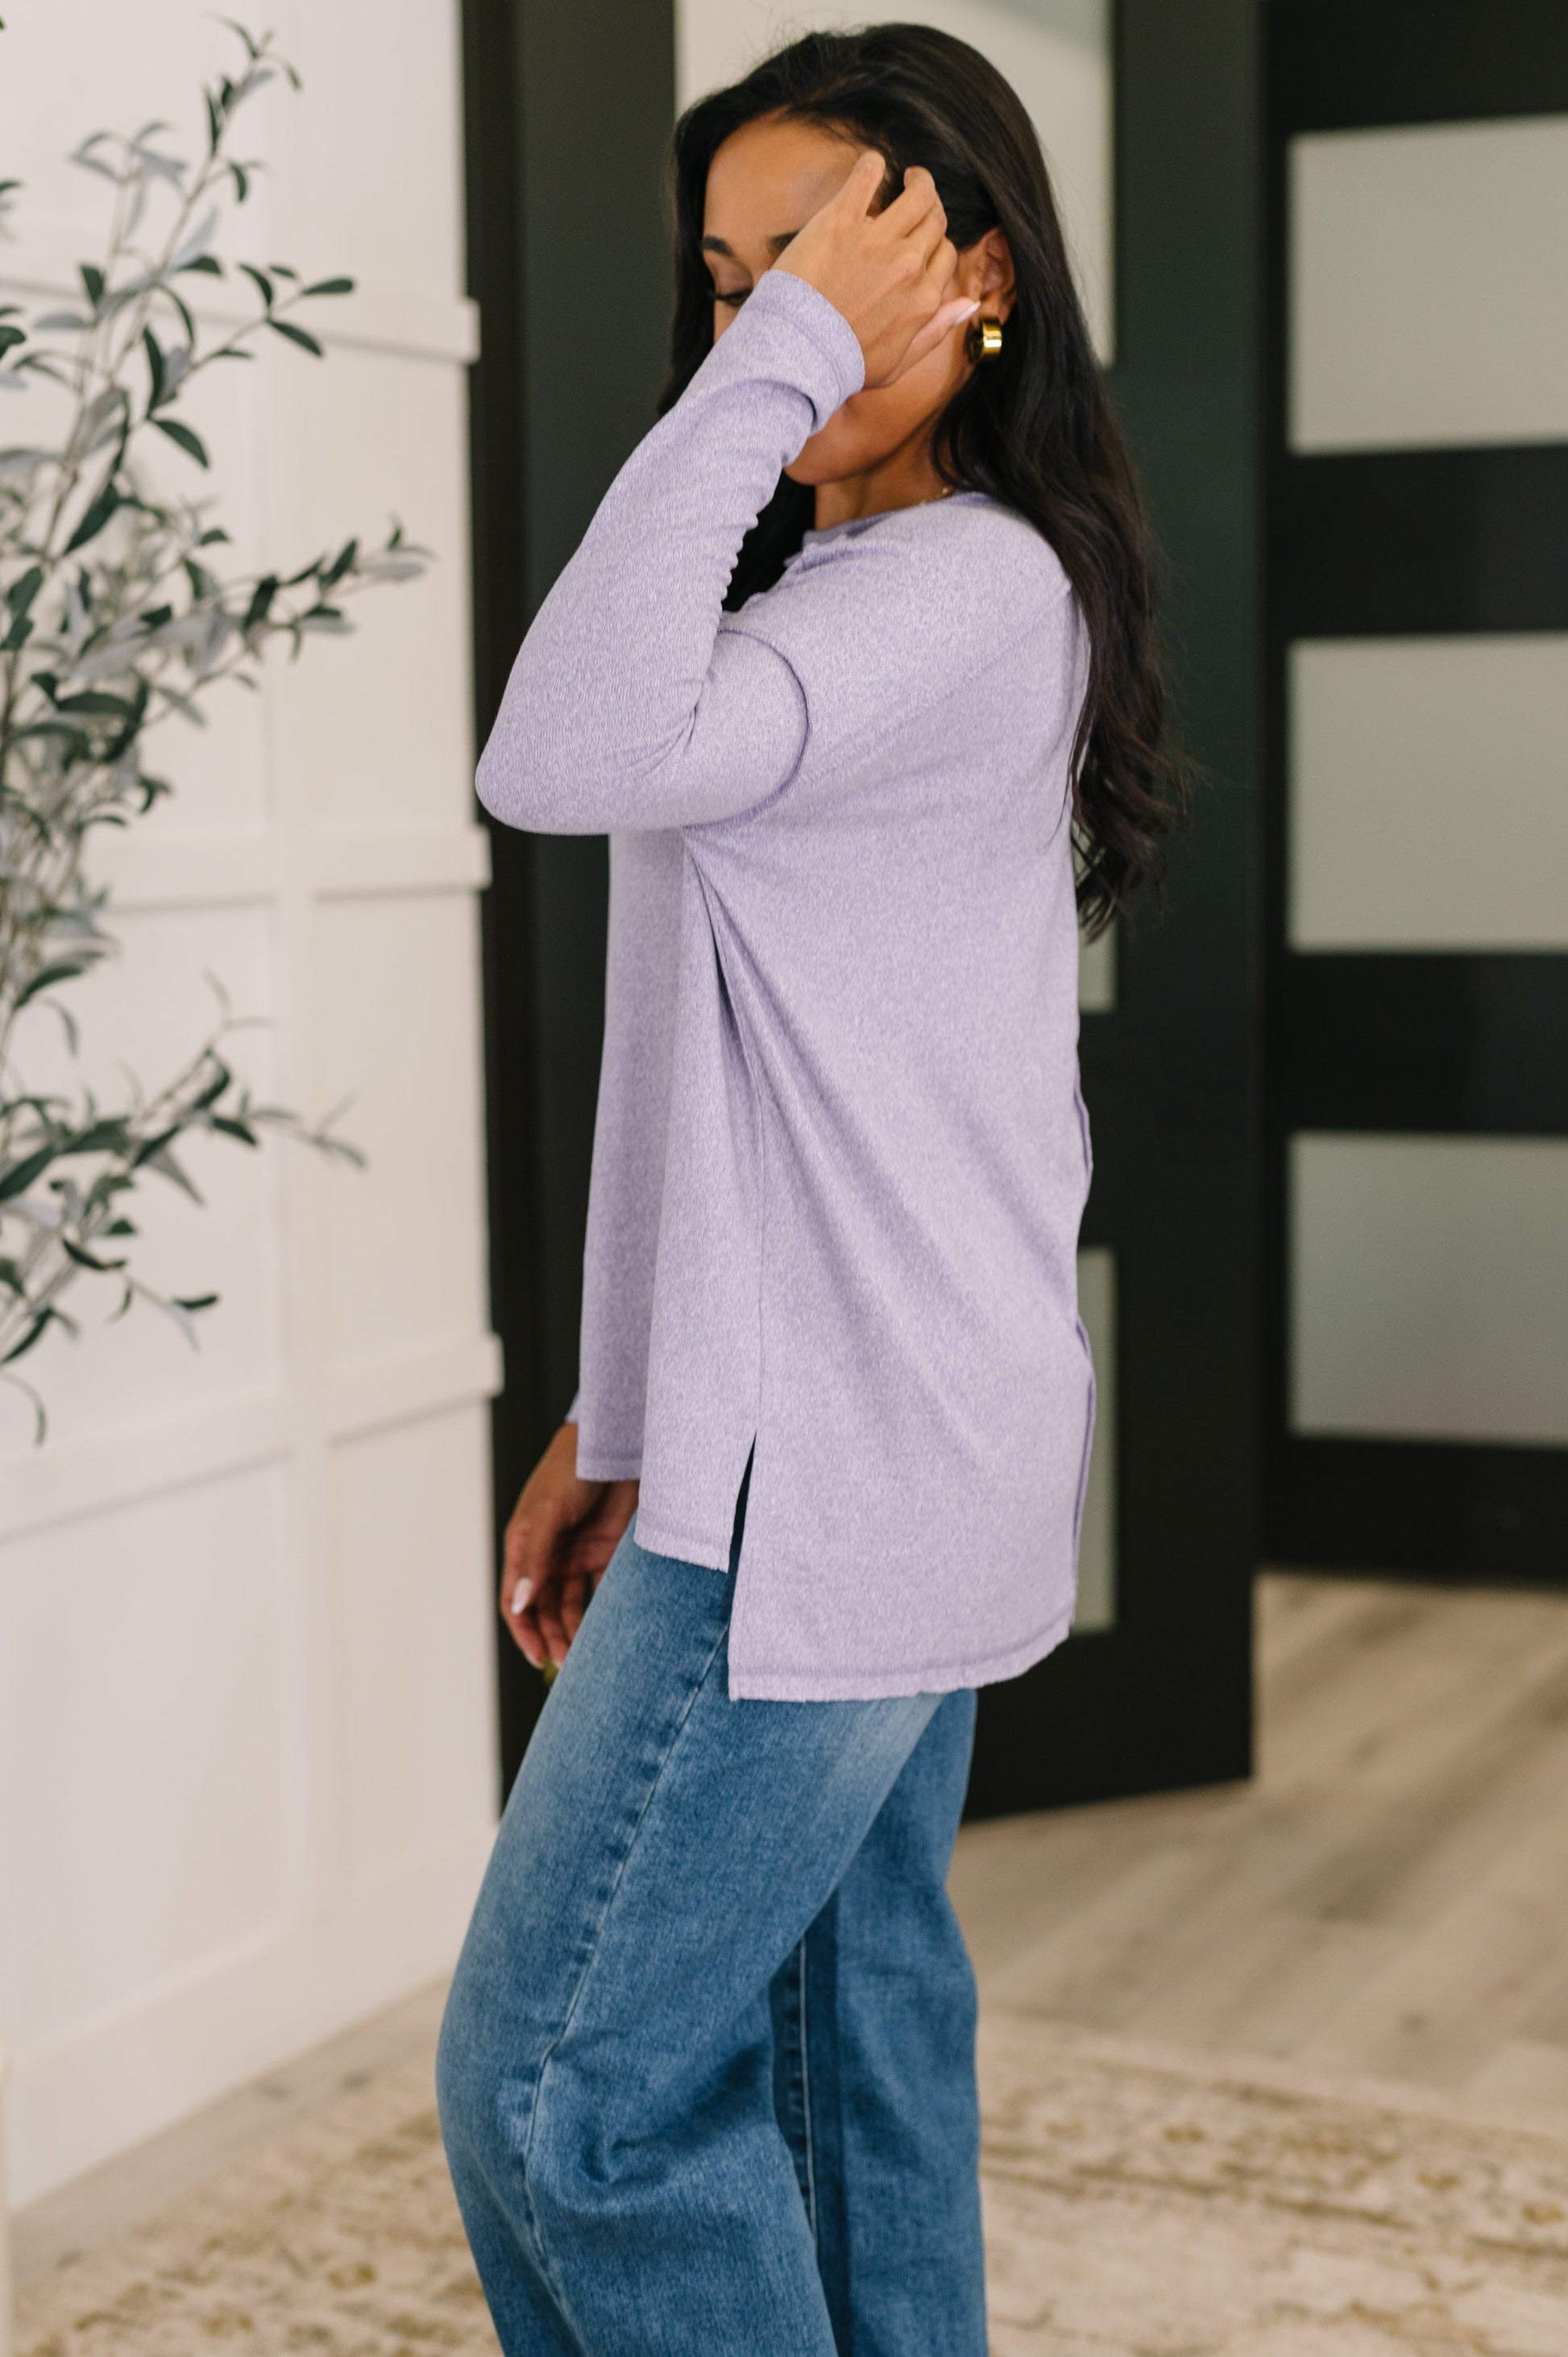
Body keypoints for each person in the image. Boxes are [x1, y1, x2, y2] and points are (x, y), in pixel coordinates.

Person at [437, 24, 1186, 2355]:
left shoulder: (955, 598)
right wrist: (626, 1413)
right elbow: (729, 1079)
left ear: (965, 272)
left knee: (566, 2098)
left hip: (834, 1468)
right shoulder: (867, 606)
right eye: (725, 272)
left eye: (813, 264)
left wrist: (767, 376)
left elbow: (550, 749)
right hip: (857, 1435)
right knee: (839, 2059)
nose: (759, 313)